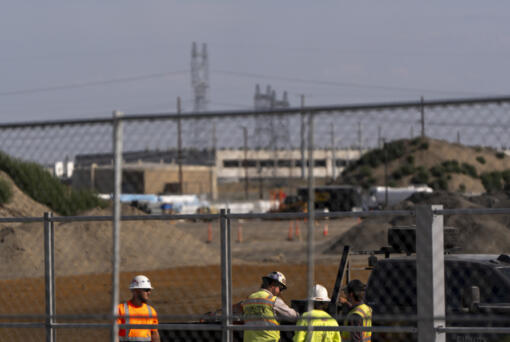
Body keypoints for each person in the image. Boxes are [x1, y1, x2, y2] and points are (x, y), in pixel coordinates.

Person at [242, 271, 299, 342]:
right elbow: (293, 316)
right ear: (273, 284)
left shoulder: (249, 298)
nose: (280, 292)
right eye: (280, 288)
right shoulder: (273, 300)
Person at [117, 275, 160, 342]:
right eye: (146, 290)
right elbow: (114, 334)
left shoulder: (151, 311)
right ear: (135, 291)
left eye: (149, 290)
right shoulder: (120, 309)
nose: (149, 292)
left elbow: (154, 334)